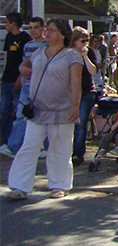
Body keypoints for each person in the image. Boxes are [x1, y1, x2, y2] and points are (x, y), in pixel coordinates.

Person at [6, 19, 83, 200]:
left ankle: (60, 185)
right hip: (38, 110)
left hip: (62, 111)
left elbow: (76, 83)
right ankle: (19, 186)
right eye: (47, 29)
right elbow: (24, 64)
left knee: (60, 149)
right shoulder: (40, 51)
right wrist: (23, 69)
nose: (47, 33)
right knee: (29, 147)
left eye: (52, 30)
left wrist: (75, 106)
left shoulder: (72, 56)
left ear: (63, 34)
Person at [1, 17, 46, 158]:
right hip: (27, 85)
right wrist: (20, 78)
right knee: (21, 115)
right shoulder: (28, 46)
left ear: (43, 28)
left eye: (36, 27)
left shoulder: (47, 45)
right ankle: (13, 147)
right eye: (31, 27)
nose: (33, 30)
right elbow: (24, 64)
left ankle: (48, 147)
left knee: (44, 116)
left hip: (42, 86)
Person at [71, 27, 99, 166]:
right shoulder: (68, 53)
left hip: (87, 91)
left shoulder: (90, 53)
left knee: (81, 123)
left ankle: (78, 153)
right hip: (71, 92)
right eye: (82, 41)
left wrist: (85, 56)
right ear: (74, 40)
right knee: (70, 122)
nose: (85, 44)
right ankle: (67, 152)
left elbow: (93, 72)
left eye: (87, 40)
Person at [2, 12, 30, 146]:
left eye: (7, 22)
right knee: (4, 110)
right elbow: (7, 56)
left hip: (18, 78)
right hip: (7, 77)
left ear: (13, 23)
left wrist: (20, 78)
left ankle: (17, 142)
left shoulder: (25, 38)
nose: (5, 25)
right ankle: (5, 141)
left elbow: (26, 61)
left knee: (19, 112)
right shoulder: (8, 37)